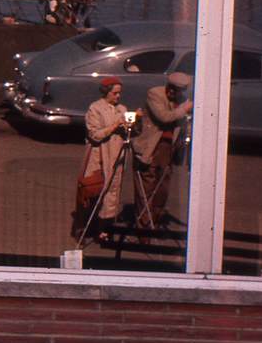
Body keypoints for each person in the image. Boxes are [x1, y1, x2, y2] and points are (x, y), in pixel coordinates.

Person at [132, 72, 193, 230]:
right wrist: (184, 109)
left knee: (162, 187)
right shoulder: (154, 93)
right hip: (150, 147)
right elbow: (164, 117)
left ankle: (155, 221)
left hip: (168, 148)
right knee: (146, 186)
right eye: (170, 88)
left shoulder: (181, 101)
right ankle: (144, 225)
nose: (172, 92)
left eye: (177, 90)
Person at [81, 76, 132, 241]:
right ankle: (94, 227)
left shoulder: (122, 108)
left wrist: (133, 124)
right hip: (102, 155)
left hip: (118, 154)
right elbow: (95, 135)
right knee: (99, 189)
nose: (118, 97)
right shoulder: (95, 108)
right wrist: (116, 125)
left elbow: (130, 132)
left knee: (114, 190)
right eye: (115, 93)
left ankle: (107, 227)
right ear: (107, 92)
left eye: (120, 93)